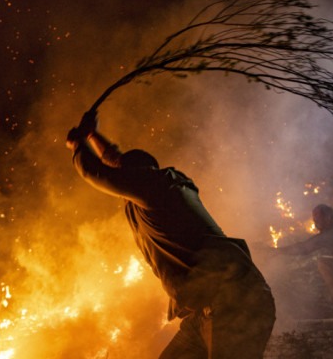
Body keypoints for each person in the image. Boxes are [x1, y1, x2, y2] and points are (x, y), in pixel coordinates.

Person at [66, 111, 275, 359]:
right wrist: (92, 135)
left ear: (137, 174)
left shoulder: (157, 186)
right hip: (204, 312)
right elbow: (115, 161)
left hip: (234, 302)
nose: (122, 182)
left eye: (125, 174)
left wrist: (78, 145)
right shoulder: (153, 186)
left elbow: (98, 173)